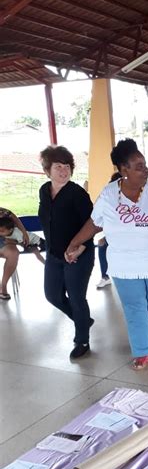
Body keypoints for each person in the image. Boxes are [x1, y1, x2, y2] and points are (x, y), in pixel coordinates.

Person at [65, 139, 148, 370]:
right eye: (139, 166)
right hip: (124, 266)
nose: (145, 169)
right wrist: (75, 242)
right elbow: (95, 224)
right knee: (135, 309)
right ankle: (143, 351)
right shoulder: (109, 195)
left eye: (145, 164)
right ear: (123, 170)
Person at [38, 146, 94, 359]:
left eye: (67, 166)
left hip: (78, 254)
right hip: (53, 253)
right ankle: (83, 320)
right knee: (52, 295)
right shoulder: (44, 190)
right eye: (58, 167)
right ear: (47, 170)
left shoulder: (77, 194)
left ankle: (82, 340)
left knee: (77, 296)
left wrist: (79, 247)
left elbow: (92, 222)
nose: (63, 171)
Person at [96, 172, 121, 289]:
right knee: (101, 244)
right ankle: (105, 277)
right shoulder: (108, 195)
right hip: (114, 234)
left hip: (129, 235)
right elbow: (100, 217)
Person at [0, 207, 29, 300]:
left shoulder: (2, 211)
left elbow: (14, 218)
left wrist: (24, 233)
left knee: (13, 253)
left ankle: (3, 286)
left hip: (3, 240)